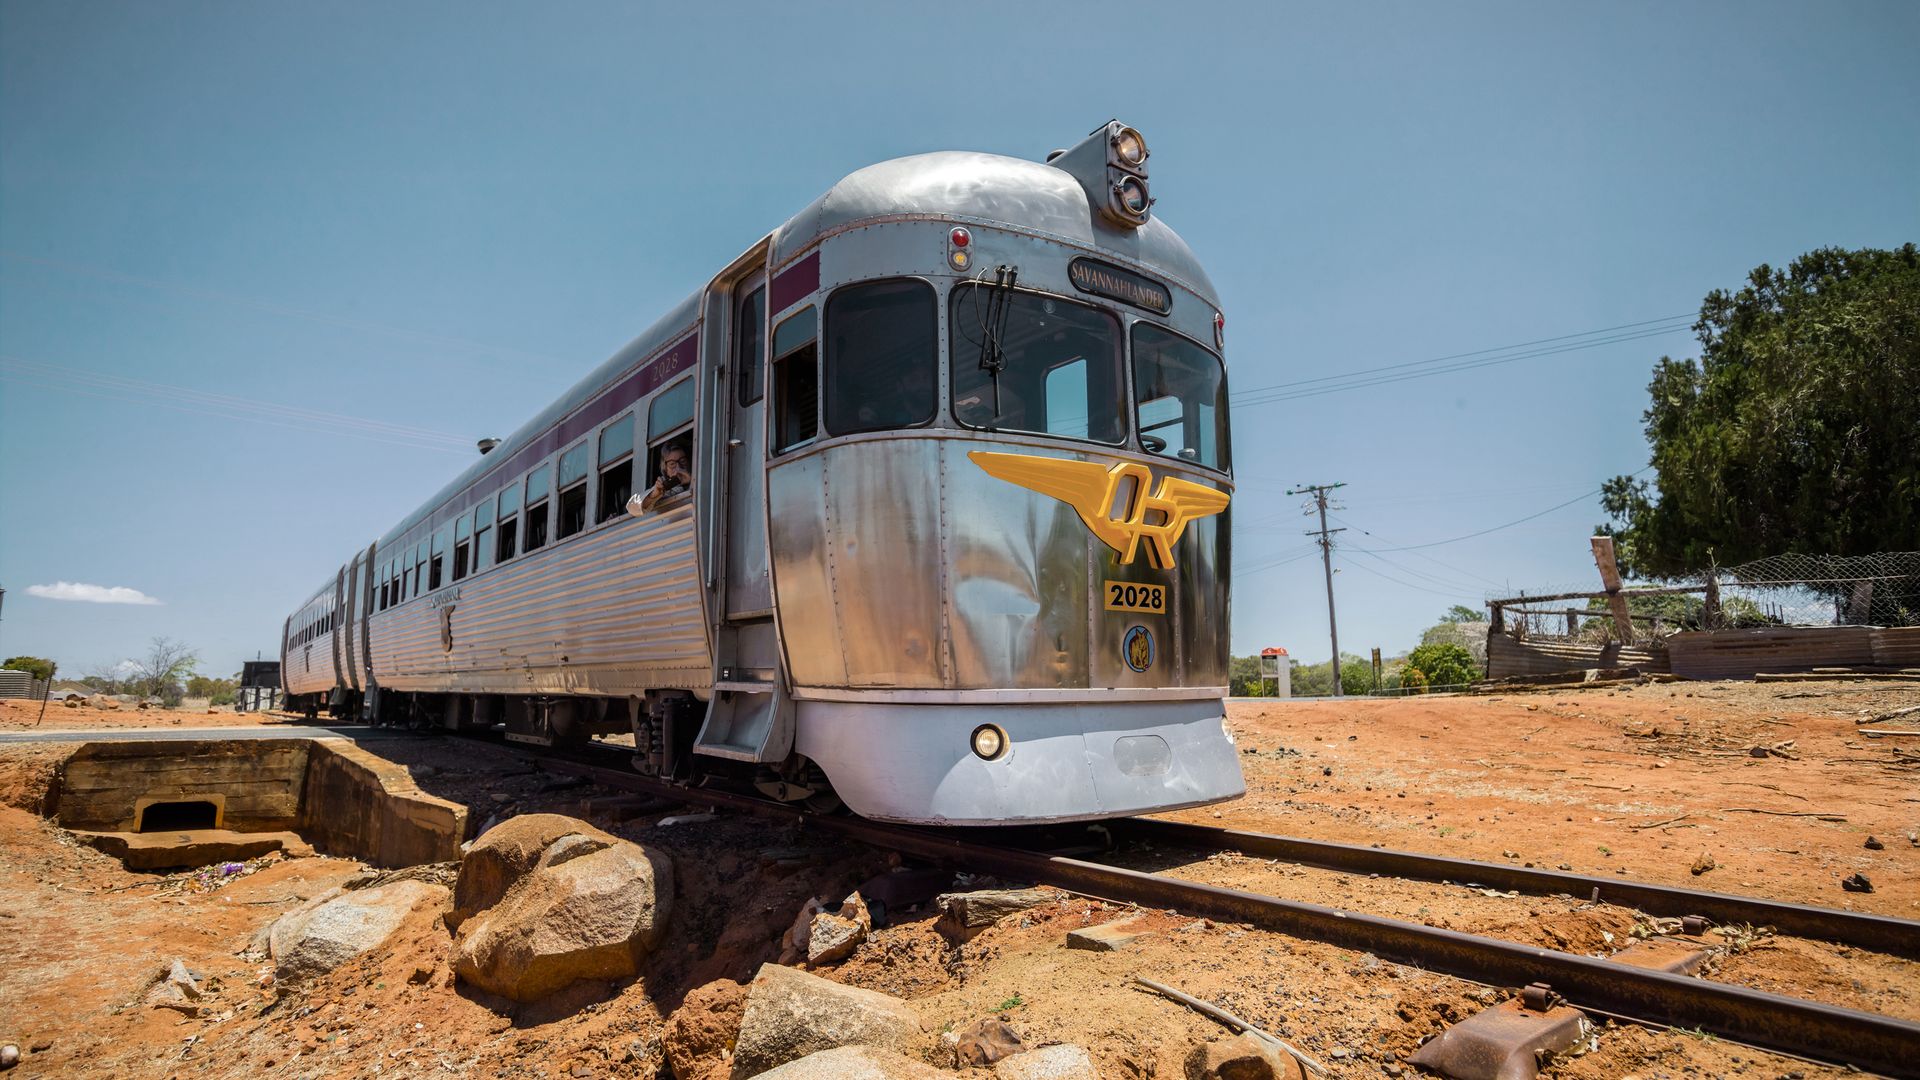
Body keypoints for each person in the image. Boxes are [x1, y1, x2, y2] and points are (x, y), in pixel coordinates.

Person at [630, 442, 691, 514]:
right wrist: (654, 495)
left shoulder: (697, 477)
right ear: (665, 468)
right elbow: (632, 508)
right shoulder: (663, 487)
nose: (678, 468)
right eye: (672, 464)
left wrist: (692, 482)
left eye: (682, 461)